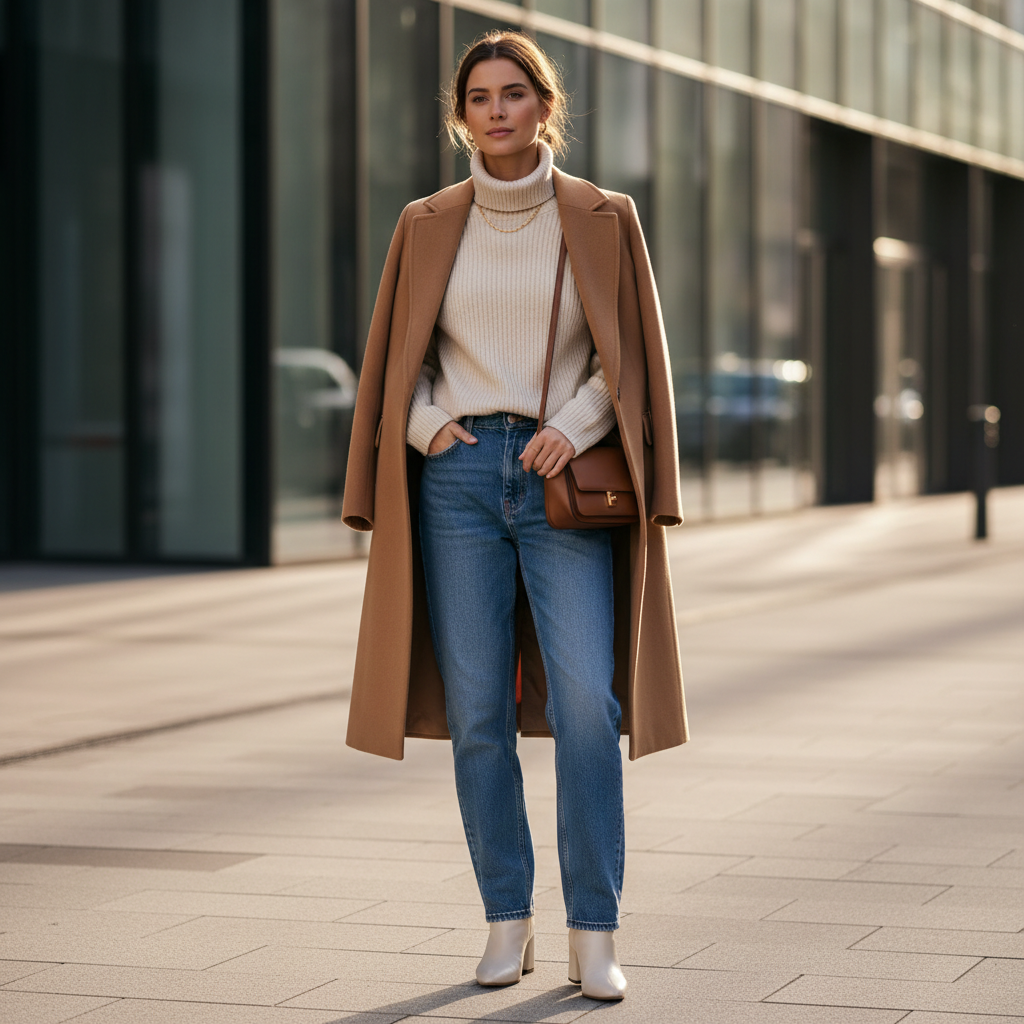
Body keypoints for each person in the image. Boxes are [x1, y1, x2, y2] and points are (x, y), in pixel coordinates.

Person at [341, 30, 688, 1002]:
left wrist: (574, 428)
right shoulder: (425, 221)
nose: (496, 110)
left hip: (557, 481)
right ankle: (506, 920)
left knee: (586, 705)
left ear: (545, 105)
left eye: (513, 93)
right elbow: (393, 357)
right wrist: (424, 426)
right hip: (453, 482)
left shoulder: (602, 216)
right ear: (462, 115)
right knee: (480, 712)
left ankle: (593, 931)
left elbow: (622, 360)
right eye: (479, 97)